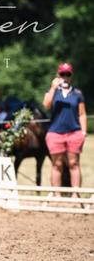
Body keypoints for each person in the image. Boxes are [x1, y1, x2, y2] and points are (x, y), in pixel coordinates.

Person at [43, 63, 87, 197]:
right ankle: (57, 195)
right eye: (62, 74)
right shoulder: (53, 91)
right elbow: (46, 105)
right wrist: (53, 88)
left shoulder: (77, 93)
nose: (65, 77)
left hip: (74, 133)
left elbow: (82, 114)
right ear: (58, 74)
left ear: (71, 75)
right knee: (57, 164)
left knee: (74, 163)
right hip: (55, 133)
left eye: (68, 74)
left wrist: (83, 132)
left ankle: (75, 195)